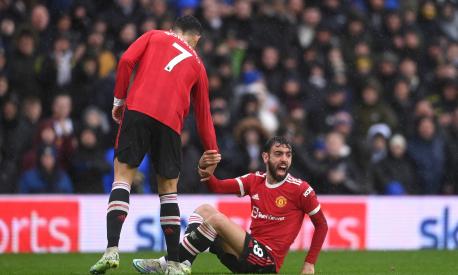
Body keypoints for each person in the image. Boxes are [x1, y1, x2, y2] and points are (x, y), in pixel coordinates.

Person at [90, 15, 219, 275]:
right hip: (171, 123)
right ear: (197, 39)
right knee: (168, 191)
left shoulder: (154, 35)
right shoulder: (198, 65)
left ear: (173, 30)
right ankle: (172, 263)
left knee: (122, 178)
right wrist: (212, 151)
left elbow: (126, 60)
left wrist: (118, 100)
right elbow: (203, 114)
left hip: (138, 110)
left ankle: (111, 250)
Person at [132, 136, 328, 274]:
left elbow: (322, 225)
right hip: (243, 256)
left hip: (267, 261)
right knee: (204, 210)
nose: (284, 159)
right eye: (278, 154)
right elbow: (217, 187)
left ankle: (169, 263)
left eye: (288, 154)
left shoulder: (300, 189)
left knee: (216, 219)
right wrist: (204, 170)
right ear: (266, 157)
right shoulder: (255, 180)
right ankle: (182, 263)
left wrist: (309, 264)